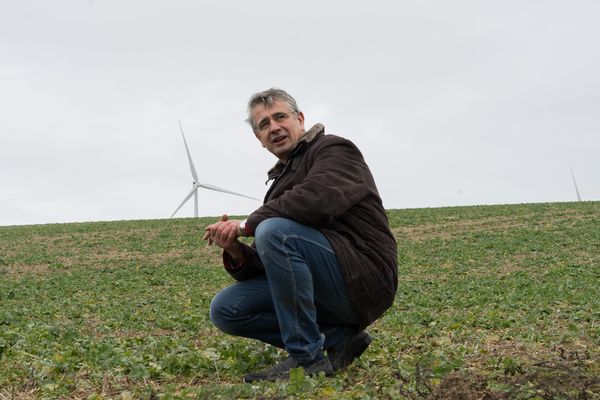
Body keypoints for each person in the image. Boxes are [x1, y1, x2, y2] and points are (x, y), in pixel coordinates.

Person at [204, 88, 397, 382]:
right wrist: (235, 250)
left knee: (273, 230)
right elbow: (272, 265)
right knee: (226, 309)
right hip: (325, 284)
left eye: (280, 117)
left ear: (300, 119)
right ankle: (338, 339)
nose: (274, 127)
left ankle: (307, 358)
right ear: (259, 139)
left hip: (362, 278)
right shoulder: (280, 183)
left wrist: (247, 224)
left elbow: (318, 200)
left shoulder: (334, 150)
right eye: (264, 124)